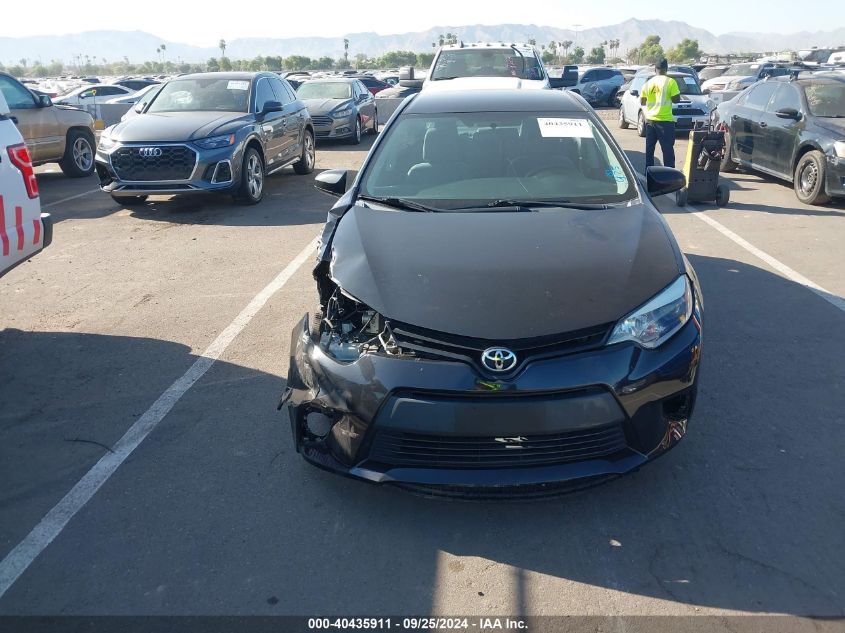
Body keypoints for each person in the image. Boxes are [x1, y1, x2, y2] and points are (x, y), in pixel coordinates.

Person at [640, 59, 681, 168]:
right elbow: (676, 99)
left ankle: (649, 171)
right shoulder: (670, 82)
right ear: (666, 69)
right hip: (665, 121)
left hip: (650, 121)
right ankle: (669, 174)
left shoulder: (648, 83)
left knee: (649, 149)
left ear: (655, 69)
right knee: (667, 150)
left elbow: (642, 102)